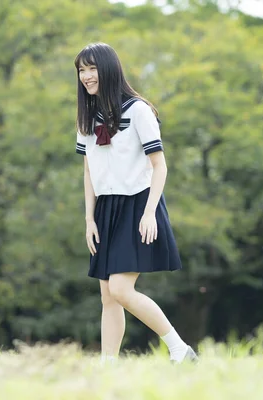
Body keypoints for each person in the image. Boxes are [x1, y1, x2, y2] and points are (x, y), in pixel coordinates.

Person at [74, 42, 198, 364]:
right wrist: (89, 219)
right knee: (107, 296)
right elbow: (89, 170)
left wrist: (149, 213)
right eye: (81, 70)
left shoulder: (138, 110)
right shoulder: (87, 117)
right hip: (106, 208)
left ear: (109, 68)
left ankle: (179, 349)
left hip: (138, 203)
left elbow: (160, 165)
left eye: (92, 68)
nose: (86, 76)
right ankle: (108, 366)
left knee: (120, 289)